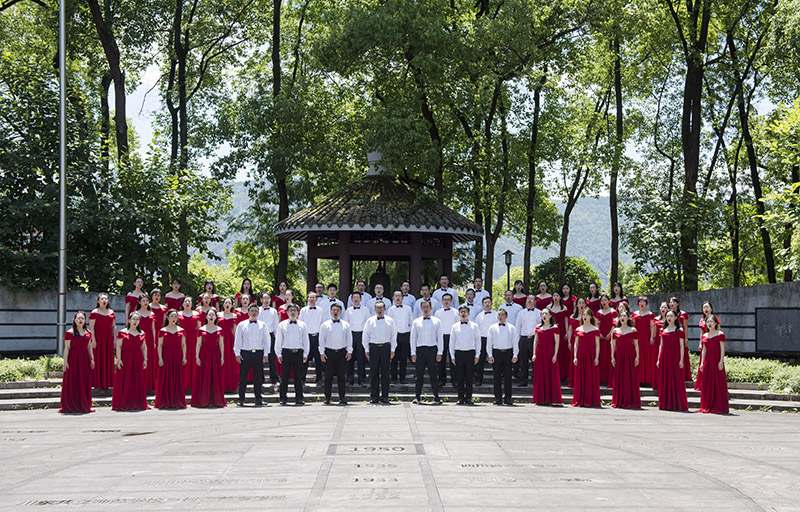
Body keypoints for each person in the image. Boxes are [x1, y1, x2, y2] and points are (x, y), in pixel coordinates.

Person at [234, 303, 271, 407]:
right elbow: (238, 339)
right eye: (252, 311)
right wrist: (237, 353)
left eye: (256, 311)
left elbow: (266, 340)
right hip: (245, 353)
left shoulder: (263, 325)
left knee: (258, 378)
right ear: (248, 312)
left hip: (258, 353)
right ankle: (241, 399)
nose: (254, 313)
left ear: (258, 313)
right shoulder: (242, 325)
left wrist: (266, 354)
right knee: (243, 377)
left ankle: (258, 399)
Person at [111, 311, 149, 411]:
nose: (135, 321)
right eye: (133, 319)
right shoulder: (122, 332)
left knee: (137, 380)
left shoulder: (142, 333)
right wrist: (119, 359)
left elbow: (144, 347)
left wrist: (145, 359)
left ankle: (137, 402)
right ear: (129, 320)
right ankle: (123, 402)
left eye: (137, 319)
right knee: (125, 380)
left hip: (138, 358)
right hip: (126, 358)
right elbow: (119, 347)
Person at [59, 311, 94, 414]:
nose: (80, 320)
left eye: (82, 318)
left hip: (84, 359)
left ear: (85, 320)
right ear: (74, 320)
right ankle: (71, 404)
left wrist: (92, 359)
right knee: (73, 381)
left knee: (84, 381)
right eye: (78, 318)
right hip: (73, 359)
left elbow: (89, 346)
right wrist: (65, 362)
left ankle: (84, 403)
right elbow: (67, 348)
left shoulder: (88, 332)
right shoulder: (69, 333)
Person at [363, 301, 397, 404]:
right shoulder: (370, 321)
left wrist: (393, 349)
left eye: (381, 308)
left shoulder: (390, 321)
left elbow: (393, 336)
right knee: (374, 373)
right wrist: (366, 349)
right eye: (377, 308)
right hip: (374, 347)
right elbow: (365, 335)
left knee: (385, 373)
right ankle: (374, 396)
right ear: (374, 309)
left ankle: (385, 396)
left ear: (385, 309)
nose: (379, 310)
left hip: (385, 347)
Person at [275, 304, 309, 406]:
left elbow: (305, 340)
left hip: (298, 352)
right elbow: (278, 340)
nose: (293, 312)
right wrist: (278, 354)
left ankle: (299, 398)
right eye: (291, 311)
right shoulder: (282, 325)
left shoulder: (303, 325)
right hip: (286, 352)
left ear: (298, 312)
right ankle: (283, 398)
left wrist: (305, 353)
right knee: (284, 377)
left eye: (294, 310)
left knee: (298, 377)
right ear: (287, 312)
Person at [410, 301, 443, 404]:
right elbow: (413, 338)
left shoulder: (437, 321)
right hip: (420, 350)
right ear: (421, 309)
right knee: (419, 375)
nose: (425, 309)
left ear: (431, 308)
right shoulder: (416, 322)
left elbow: (440, 337)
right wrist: (413, 353)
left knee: (434, 374)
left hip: (432, 349)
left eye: (427, 307)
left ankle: (436, 396)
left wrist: (440, 352)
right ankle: (417, 396)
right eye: (423, 307)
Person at [192, 308, 226, 408]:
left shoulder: (219, 329)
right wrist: (197, 356)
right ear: (206, 317)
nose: (211, 317)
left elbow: (221, 344)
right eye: (209, 315)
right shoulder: (201, 329)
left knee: (215, 376)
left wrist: (222, 357)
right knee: (204, 376)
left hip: (215, 354)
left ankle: (216, 399)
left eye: (213, 315)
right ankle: (203, 399)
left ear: (216, 317)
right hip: (204, 354)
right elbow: (198, 344)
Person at [319, 304, 353, 405]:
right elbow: (321, 339)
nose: (335, 312)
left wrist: (349, 351)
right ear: (330, 312)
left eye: (337, 310)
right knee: (328, 377)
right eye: (333, 310)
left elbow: (349, 338)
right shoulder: (325, 325)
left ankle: (342, 397)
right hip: (329, 353)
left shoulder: (346, 325)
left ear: (340, 312)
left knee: (341, 377)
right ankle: (327, 398)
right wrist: (322, 352)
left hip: (342, 353)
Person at [656, 310, 689, 411]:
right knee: (665, 379)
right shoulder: (662, 329)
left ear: (675, 317)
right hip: (664, 356)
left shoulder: (679, 330)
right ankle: (665, 404)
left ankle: (677, 404)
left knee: (676, 378)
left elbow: (681, 346)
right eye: (667, 316)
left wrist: (681, 360)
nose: (669, 318)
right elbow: (661, 345)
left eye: (671, 316)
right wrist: (658, 359)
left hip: (675, 356)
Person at [155, 309, 187, 409]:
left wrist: (184, 357)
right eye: (172, 316)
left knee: (178, 378)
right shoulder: (162, 331)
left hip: (177, 356)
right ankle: (164, 400)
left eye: (175, 316)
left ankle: (177, 400)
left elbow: (183, 345)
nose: (174, 318)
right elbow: (160, 346)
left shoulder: (181, 330)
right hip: (166, 356)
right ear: (167, 318)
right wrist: (160, 358)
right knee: (165, 378)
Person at [450, 306, 481, 405]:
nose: (463, 314)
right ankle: (460, 398)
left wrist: (477, 354)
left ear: (469, 313)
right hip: (459, 353)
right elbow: (452, 342)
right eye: (461, 312)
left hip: (470, 353)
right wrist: (452, 356)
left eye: (465, 312)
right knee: (459, 377)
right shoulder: (454, 326)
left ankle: (469, 398)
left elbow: (478, 340)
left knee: (469, 377)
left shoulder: (474, 326)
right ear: (459, 314)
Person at [487, 309, 519, 405]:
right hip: (496, 353)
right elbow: (489, 342)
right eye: (499, 315)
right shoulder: (492, 328)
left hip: (508, 353)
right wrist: (490, 354)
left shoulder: (511, 328)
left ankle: (508, 398)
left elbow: (515, 342)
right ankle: (498, 398)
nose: (500, 317)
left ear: (506, 316)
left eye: (502, 315)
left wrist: (515, 354)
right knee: (496, 377)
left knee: (508, 377)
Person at [698, 315, 729, 414]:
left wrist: (721, 361)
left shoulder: (720, 334)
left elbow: (722, 349)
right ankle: (706, 405)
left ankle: (719, 405)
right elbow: (704, 350)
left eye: (711, 322)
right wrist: (702, 363)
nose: (709, 324)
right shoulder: (705, 335)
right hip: (707, 361)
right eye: (708, 322)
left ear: (715, 323)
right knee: (707, 382)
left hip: (716, 360)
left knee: (718, 382)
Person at [611, 310, 641, 409]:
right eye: (621, 316)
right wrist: (612, 357)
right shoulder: (615, 330)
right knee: (619, 377)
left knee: (630, 376)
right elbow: (613, 345)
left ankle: (631, 400)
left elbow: (636, 344)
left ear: (628, 318)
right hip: (619, 355)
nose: (622, 318)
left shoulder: (633, 330)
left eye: (624, 316)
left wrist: (637, 356)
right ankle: (619, 400)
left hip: (630, 355)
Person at [571, 308, 601, 408]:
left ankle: (591, 399)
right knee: (580, 377)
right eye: (583, 315)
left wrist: (596, 357)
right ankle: (579, 399)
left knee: (590, 376)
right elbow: (576, 344)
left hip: (591, 355)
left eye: (587, 315)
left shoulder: (595, 329)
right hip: (581, 355)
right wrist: (575, 356)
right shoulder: (578, 329)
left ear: (591, 317)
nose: (584, 316)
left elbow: (597, 344)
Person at [532, 308, 561, 406]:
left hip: (550, 352)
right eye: (542, 314)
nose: (544, 315)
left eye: (546, 314)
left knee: (551, 374)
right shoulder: (538, 327)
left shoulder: (555, 327)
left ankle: (551, 398)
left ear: (550, 316)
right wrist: (534, 353)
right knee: (540, 374)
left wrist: (555, 355)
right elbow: (535, 341)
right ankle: (540, 398)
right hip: (540, 353)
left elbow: (557, 342)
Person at [89, 293, 116, 389]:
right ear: (98, 301)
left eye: (106, 299)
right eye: (102, 299)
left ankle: (108, 382)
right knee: (98, 358)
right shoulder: (94, 312)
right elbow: (91, 327)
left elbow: (114, 326)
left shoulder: (111, 312)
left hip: (108, 338)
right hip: (98, 337)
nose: (104, 300)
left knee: (108, 358)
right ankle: (96, 382)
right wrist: (93, 339)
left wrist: (115, 339)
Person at [387, 291, 413, 385]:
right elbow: (388, 324)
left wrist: (411, 336)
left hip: (405, 335)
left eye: (399, 296)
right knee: (394, 358)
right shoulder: (390, 310)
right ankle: (393, 379)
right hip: (395, 336)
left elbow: (411, 322)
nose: (398, 298)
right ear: (393, 298)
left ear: (402, 298)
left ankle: (403, 378)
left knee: (403, 358)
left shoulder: (408, 308)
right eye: (396, 296)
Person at [344, 291, 370, 386]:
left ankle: (361, 379)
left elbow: (368, 323)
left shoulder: (366, 310)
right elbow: (345, 324)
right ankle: (349, 379)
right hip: (351, 334)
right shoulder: (348, 310)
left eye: (357, 297)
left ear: (361, 299)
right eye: (354, 297)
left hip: (362, 334)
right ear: (351, 300)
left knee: (361, 358)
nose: (356, 299)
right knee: (349, 357)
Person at [515, 295, 541, 386]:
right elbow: (518, 327)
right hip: (523, 338)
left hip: (534, 338)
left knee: (535, 361)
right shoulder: (521, 313)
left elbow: (540, 327)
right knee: (523, 361)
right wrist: (517, 342)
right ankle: (523, 380)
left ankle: (535, 380)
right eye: (528, 299)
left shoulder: (539, 313)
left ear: (535, 301)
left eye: (531, 299)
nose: (529, 301)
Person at [434, 293, 460, 387]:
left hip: (452, 337)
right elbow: (436, 327)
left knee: (453, 359)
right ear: (442, 301)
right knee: (441, 359)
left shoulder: (456, 312)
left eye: (448, 299)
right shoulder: (438, 313)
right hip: (441, 337)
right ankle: (442, 379)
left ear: (451, 301)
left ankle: (455, 379)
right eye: (444, 299)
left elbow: (458, 326)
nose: (446, 301)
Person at [300, 292, 325, 384]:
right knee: (305, 358)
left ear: (316, 299)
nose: (311, 299)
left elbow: (323, 324)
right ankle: (302, 378)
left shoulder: (321, 310)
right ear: (307, 299)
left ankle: (319, 378)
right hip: (307, 336)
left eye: (313, 297)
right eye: (310, 297)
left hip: (317, 336)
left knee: (318, 359)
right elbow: (301, 324)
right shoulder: (303, 310)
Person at [135, 293, 157, 392]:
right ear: (139, 302)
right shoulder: (136, 313)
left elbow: (153, 328)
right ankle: (139, 383)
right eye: (143, 300)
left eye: (147, 300)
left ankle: (149, 384)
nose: (146, 302)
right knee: (139, 359)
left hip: (149, 338)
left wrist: (154, 341)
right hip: (138, 337)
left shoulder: (152, 314)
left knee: (149, 359)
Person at [178, 297, 202, 390]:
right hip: (181, 339)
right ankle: (182, 383)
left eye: (189, 301)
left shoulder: (197, 314)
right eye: (185, 301)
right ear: (182, 304)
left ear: (192, 304)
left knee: (193, 358)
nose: (187, 303)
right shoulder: (178, 314)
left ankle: (194, 383)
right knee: (182, 358)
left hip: (193, 339)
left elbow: (199, 328)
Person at [474, 296, 498, 386]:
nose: (487, 304)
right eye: (485, 303)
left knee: (496, 359)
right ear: (482, 304)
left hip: (494, 339)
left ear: (491, 304)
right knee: (480, 360)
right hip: (482, 339)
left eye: (489, 302)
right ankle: (478, 379)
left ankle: (498, 379)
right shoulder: (479, 316)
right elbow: (476, 329)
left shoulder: (496, 314)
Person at [258, 292, 279, 390]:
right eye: (264, 298)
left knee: (272, 358)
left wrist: (277, 338)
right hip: (260, 336)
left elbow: (276, 325)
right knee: (259, 357)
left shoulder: (274, 311)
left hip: (270, 335)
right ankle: (260, 379)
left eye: (268, 298)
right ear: (261, 300)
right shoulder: (257, 310)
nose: (266, 300)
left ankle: (274, 379)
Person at [632, 297, 655, 386]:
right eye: (640, 302)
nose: (642, 303)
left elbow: (652, 326)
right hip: (637, 337)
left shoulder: (650, 314)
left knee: (646, 356)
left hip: (646, 337)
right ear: (638, 304)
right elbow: (633, 326)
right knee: (637, 355)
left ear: (646, 303)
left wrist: (652, 337)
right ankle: (637, 378)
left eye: (643, 302)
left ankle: (647, 378)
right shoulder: (634, 314)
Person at [669, 297, 693, 382]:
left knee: (682, 354)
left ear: (678, 303)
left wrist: (686, 338)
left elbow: (685, 327)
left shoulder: (683, 314)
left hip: (681, 336)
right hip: (672, 336)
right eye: (670, 302)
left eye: (674, 302)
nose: (672, 304)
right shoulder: (669, 314)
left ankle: (684, 374)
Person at [548, 291, 571, 380]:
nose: (555, 297)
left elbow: (566, 321)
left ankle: (562, 375)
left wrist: (567, 332)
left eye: (557, 296)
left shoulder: (564, 307)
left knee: (562, 352)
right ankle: (552, 374)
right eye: (554, 296)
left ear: (560, 297)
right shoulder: (548, 307)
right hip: (551, 330)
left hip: (561, 330)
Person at [595, 294, 617, 385]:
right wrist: (599, 333)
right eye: (602, 300)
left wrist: (610, 334)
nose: (604, 302)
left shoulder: (613, 311)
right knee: (601, 356)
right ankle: (601, 378)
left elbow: (614, 324)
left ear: (609, 301)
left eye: (605, 300)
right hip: (601, 336)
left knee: (609, 355)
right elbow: (597, 324)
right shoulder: (598, 312)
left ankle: (609, 378)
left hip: (610, 335)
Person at [566, 298, 587, 387]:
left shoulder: (587, 316)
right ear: (577, 305)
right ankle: (574, 380)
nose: (581, 304)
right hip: (574, 340)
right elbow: (570, 330)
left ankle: (584, 380)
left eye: (583, 303)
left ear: (585, 305)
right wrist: (569, 342)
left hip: (585, 340)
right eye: (579, 303)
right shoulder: (572, 316)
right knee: (575, 359)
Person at [651, 302, 669, 390]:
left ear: (668, 309)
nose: (663, 309)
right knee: (657, 362)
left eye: (665, 307)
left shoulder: (670, 319)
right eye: (662, 307)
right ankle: (657, 383)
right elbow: (654, 332)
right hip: (658, 342)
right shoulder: (656, 319)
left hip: (667, 342)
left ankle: (666, 383)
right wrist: (652, 338)